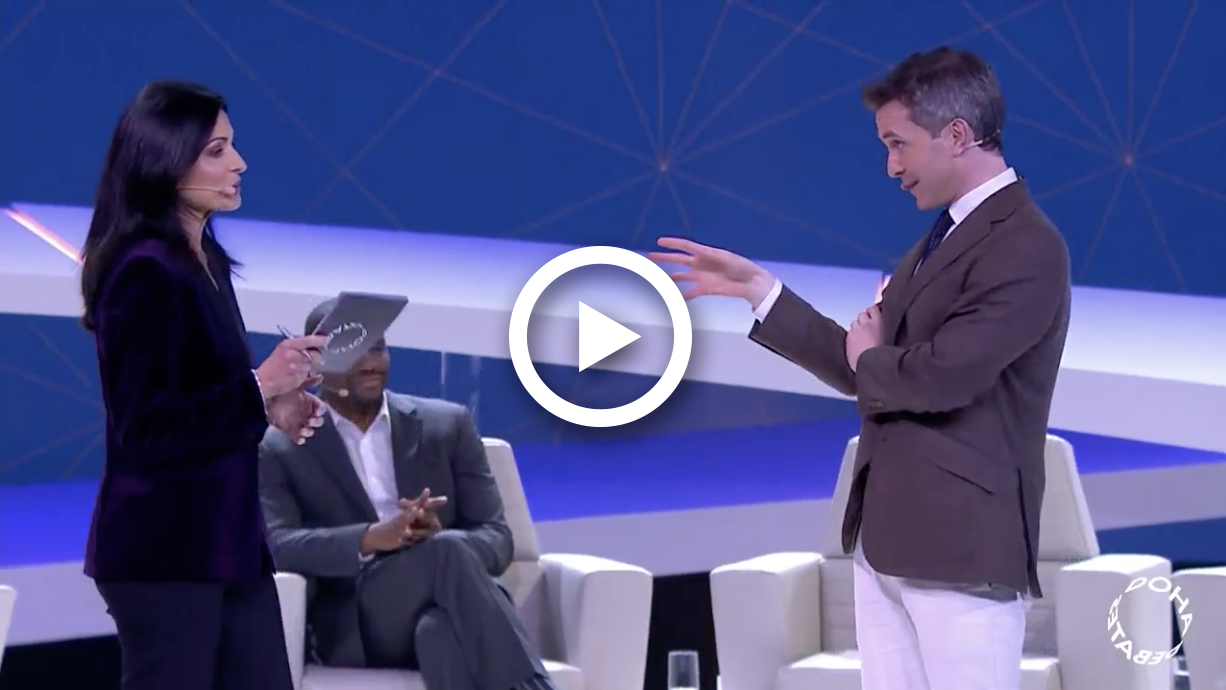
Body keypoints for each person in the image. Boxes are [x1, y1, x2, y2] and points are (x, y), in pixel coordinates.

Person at [650, 47, 1071, 690]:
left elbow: (944, 375)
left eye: (899, 144)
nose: (891, 166)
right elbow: (866, 370)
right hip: (889, 546)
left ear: (958, 135)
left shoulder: (1025, 245)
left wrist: (872, 354)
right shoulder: (943, 240)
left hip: (961, 551)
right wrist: (762, 292)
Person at [80, 80, 329, 690]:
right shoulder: (142, 270)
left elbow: (205, 395)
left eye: (232, 146)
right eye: (217, 151)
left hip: (228, 544)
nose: (239, 163)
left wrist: (273, 406)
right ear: (165, 162)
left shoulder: (206, 261)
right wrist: (259, 386)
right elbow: (147, 429)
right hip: (164, 552)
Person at [258, 298, 560, 690]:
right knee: (446, 553)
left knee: (439, 632)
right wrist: (372, 537)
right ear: (315, 365)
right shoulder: (282, 444)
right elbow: (278, 546)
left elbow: (498, 540)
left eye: (378, 348)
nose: (370, 363)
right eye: (353, 351)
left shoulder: (447, 426)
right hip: (356, 622)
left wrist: (433, 541)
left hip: (443, 605)